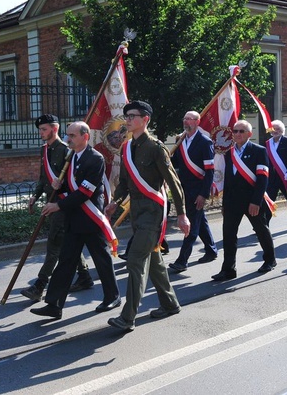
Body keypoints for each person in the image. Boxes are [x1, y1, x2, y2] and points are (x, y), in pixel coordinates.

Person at [104, 101, 190, 332]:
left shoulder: (156, 148)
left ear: (145, 119)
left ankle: (128, 317)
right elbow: (125, 182)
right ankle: (170, 303)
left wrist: (182, 215)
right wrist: (115, 202)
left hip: (153, 214)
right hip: (138, 213)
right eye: (126, 116)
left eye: (132, 116)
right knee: (154, 262)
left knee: (135, 261)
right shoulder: (127, 148)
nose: (128, 120)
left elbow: (174, 182)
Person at [30, 122, 121, 319]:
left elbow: (85, 191)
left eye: (72, 135)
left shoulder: (95, 159)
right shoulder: (70, 157)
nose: (68, 138)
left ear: (85, 136)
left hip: (89, 217)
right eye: (68, 135)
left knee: (101, 259)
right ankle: (54, 305)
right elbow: (70, 188)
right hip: (73, 219)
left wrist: (58, 206)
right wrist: (59, 187)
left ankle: (112, 297)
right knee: (66, 261)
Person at [22, 114, 93, 302]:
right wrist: (35, 196)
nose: (41, 133)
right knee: (65, 242)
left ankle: (39, 285)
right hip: (50, 202)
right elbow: (43, 177)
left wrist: (60, 191)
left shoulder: (66, 150)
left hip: (62, 204)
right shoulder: (44, 150)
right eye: (39, 130)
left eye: (44, 129)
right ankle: (84, 276)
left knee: (54, 244)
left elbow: (74, 181)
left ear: (55, 129)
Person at [212, 120, 277, 281]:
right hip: (233, 202)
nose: (238, 134)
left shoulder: (259, 151)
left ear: (249, 134)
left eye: (241, 131)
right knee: (228, 235)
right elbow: (227, 180)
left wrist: (256, 201)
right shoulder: (229, 153)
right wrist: (225, 203)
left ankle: (270, 260)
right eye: (235, 131)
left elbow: (263, 179)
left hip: (252, 201)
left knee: (261, 230)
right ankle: (228, 269)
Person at [168, 111, 218, 273]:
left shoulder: (205, 142)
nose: (185, 122)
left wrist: (204, 194)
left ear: (197, 122)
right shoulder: (180, 139)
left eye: (189, 119)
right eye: (184, 119)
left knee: (192, 226)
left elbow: (209, 171)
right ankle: (211, 250)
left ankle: (182, 260)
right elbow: (176, 162)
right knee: (199, 220)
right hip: (184, 189)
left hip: (198, 190)